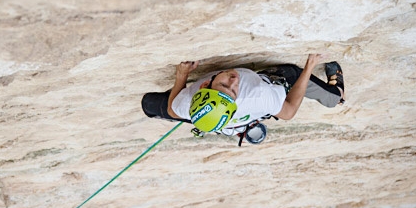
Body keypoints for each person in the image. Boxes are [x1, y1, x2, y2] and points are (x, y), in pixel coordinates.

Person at [141, 55, 344, 139]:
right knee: (293, 75)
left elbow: (171, 110)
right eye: (232, 90)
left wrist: (182, 75)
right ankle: (337, 95)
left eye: (224, 85)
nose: (233, 80)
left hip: (217, 119)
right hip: (270, 85)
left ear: (204, 85)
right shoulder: (259, 95)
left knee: (150, 104)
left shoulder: (185, 105)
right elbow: (289, 111)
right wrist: (308, 68)